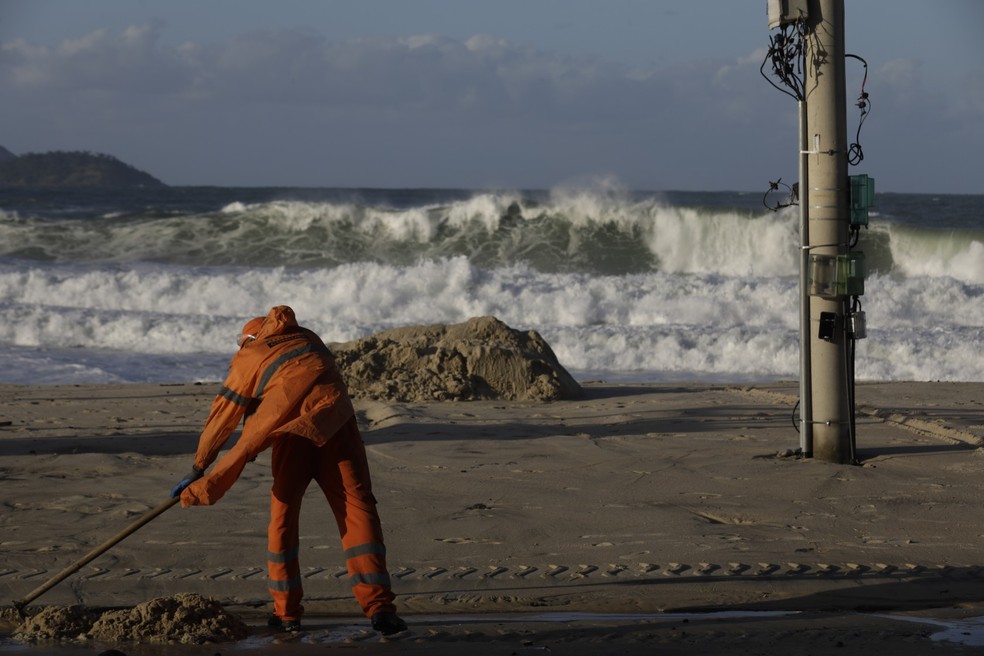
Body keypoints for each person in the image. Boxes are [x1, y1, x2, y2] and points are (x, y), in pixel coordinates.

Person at [170, 305, 407, 635]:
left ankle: (286, 614)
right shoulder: (307, 336)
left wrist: (199, 466)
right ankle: (381, 609)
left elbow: (225, 413)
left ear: (250, 337)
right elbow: (286, 387)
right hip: (338, 424)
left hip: (294, 436)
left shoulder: (250, 354)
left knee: (283, 516)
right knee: (358, 509)